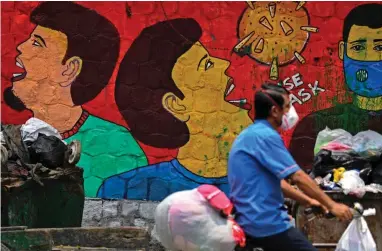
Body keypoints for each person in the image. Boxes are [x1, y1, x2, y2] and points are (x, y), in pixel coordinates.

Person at [3, 2, 148, 197]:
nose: (21, 47)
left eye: (37, 43)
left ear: (69, 69)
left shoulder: (118, 145)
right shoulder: (8, 138)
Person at [98, 18, 252, 201]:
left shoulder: (260, 185)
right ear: (176, 105)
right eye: (206, 65)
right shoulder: (124, 189)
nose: (224, 64)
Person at [289, 3, 382, 170]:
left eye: (381, 47)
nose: (370, 59)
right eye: (358, 47)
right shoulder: (314, 126)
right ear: (343, 51)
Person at [228, 84, 353, 251]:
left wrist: (308, 201)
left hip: (248, 222)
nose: (290, 111)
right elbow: (298, 177)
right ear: (274, 111)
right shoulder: (266, 136)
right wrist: (332, 205)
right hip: (265, 224)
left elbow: (278, 183)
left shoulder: (249, 135)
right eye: (287, 106)